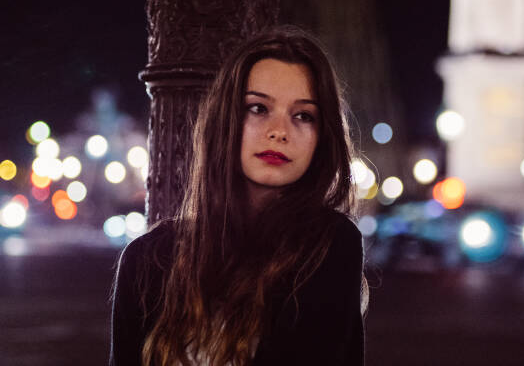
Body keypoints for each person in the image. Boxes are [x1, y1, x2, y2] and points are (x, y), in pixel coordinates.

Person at [110, 25, 367, 366]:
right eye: (258, 108)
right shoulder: (147, 258)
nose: (279, 132)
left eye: (303, 116)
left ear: (322, 137)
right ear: (225, 119)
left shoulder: (330, 245)